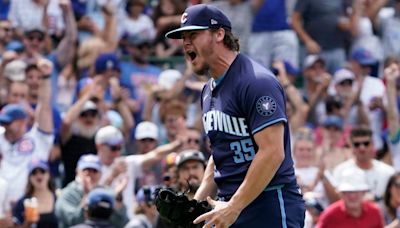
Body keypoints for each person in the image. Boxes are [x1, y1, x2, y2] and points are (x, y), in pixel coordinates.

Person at [165, 4, 305, 227]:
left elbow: (272, 152)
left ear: (219, 34)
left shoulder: (256, 81)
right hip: (227, 204)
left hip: (269, 204)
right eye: (183, 37)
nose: (186, 43)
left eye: (193, 34)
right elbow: (221, 150)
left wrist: (235, 205)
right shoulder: (207, 91)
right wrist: (197, 203)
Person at [317, 167, 384, 228]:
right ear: (341, 193)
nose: (352, 196)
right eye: (348, 191)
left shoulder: (374, 212)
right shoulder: (329, 215)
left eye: (356, 191)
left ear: (364, 192)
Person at [12, 159, 58, 228]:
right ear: (29, 178)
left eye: (42, 171)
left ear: (48, 174)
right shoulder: (22, 202)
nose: (39, 175)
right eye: (34, 172)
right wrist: (27, 223)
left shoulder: (58, 198)